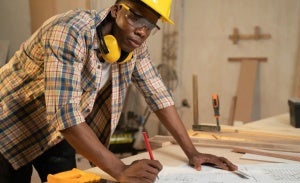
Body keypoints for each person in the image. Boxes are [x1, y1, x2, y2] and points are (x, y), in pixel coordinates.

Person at [0, 0, 238, 182]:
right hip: (10, 127)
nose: (142, 32)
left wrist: (192, 152)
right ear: (116, 11)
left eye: (149, 26)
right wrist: (120, 169)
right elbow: (65, 113)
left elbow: (157, 93)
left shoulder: (134, 44)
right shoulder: (69, 32)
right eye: (136, 19)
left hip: (56, 134)